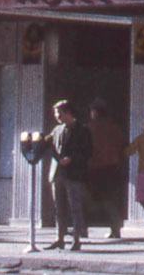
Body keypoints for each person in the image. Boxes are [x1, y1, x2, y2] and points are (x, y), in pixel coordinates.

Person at [44, 99, 92, 251]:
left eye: (58, 113)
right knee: (58, 207)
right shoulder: (57, 130)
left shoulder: (82, 129)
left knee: (75, 206)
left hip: (73, 173)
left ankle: (77, 239)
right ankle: (59, 238)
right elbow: (48, 143)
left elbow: (88, 151)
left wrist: (71, 159)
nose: (56, 116)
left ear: (67, 112)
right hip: (57, 173)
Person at [86, 98, 125, 239]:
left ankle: (84, 228)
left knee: (89, 199)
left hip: (94, 167)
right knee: (111, 199)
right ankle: (115, 229)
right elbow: (121, 146)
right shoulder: (114, 128)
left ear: (95, 112)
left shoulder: (90, 128)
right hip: (112, 166)